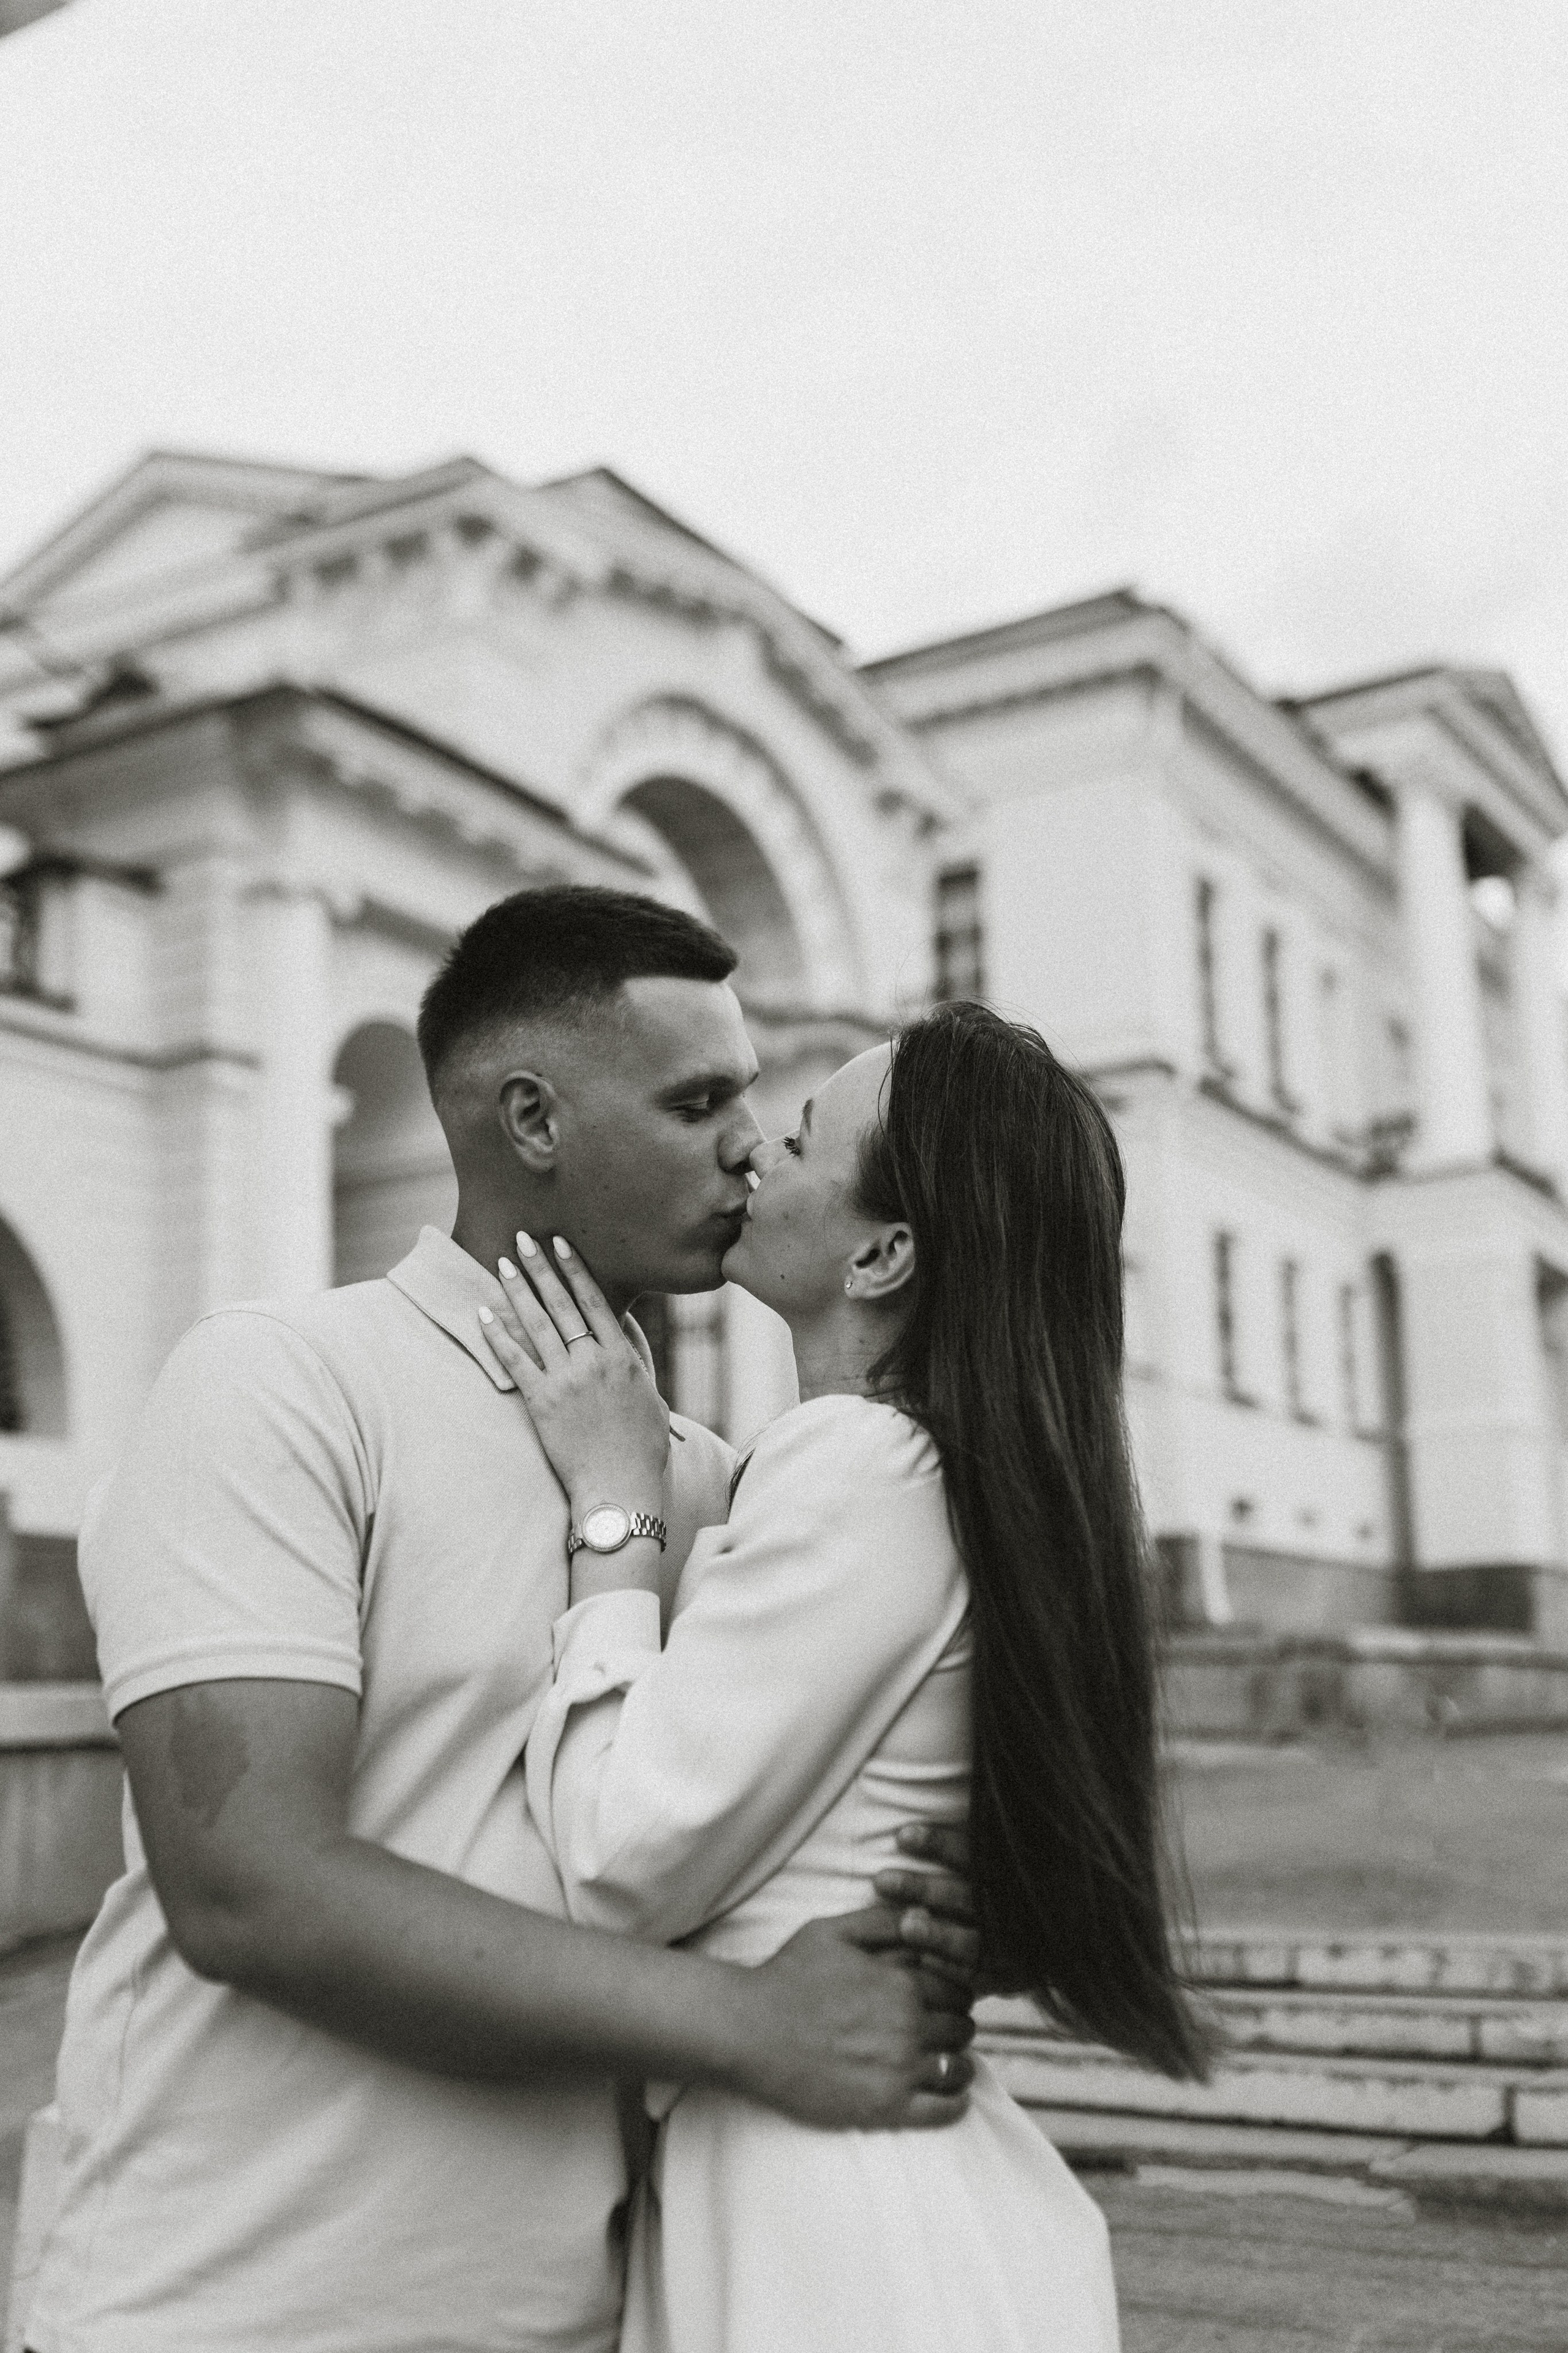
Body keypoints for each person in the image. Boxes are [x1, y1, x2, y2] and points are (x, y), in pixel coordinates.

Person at [26, 888, 978, 2353]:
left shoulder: (724, 1487)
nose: (746, 1140)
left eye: (754, 1101)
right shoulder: (279, 1383)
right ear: (532, 1119)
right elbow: (247, 1886)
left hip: (575, 2318)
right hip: (217, 2304)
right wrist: (755, 2029)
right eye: (696, 1099)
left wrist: (962, 1916)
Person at [479, 998, 1213, 2353]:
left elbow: (617, 1856)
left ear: (881, 1251)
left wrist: (611, 1504)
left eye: (804, 1139)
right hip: (871, 2184)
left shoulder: (860, 1463)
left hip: (826, 2217)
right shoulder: (966, 1476)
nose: (754, 1148)